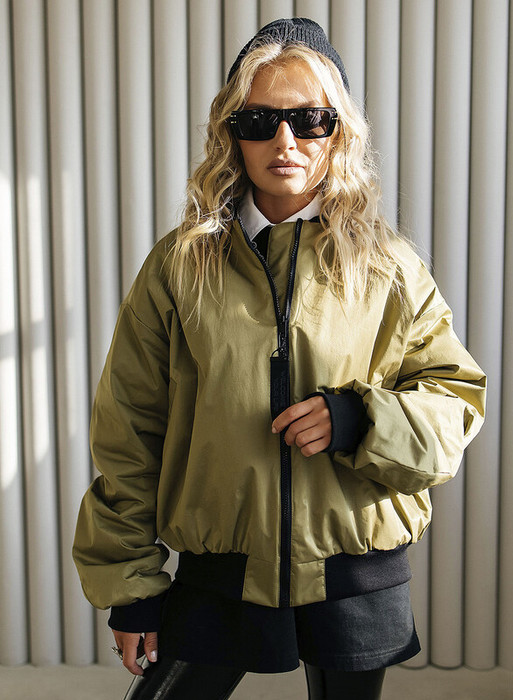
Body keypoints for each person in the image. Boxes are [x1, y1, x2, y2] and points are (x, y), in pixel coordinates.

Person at [73, 18, 486, 700]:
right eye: (259, 120)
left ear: (338, 132)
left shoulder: (387, 267)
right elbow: (130, 431)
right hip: (221, 573)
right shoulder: (181, 265)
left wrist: (360, 419)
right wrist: (132, 586)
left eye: (309, 120)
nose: (285, 141)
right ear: (231, 133)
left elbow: (455, 401)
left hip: (356, 574)